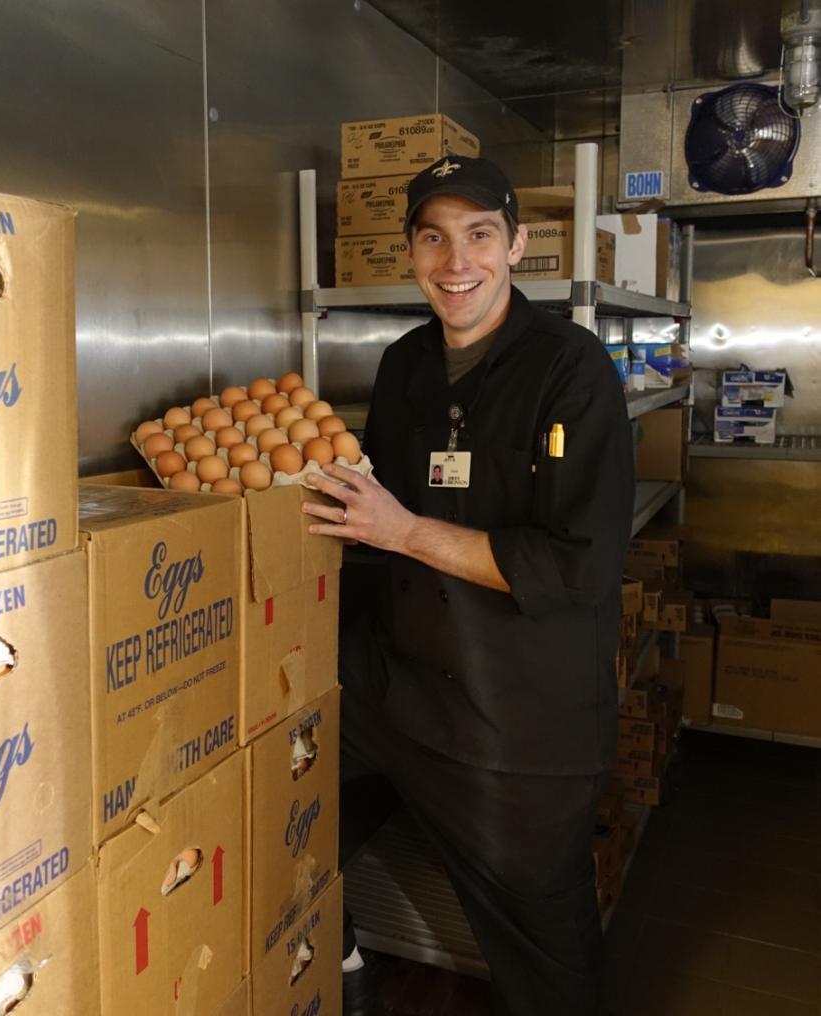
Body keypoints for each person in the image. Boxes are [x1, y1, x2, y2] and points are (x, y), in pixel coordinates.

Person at [302, 155, 634, 1016]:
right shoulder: (404, 365)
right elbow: (376, 524)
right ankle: (334, 959)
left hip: (518, 720)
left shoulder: (573, 370)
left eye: (479, 235)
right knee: (276, 787)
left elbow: (579, 566)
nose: (457, 262)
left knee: (544, 959)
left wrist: (403, 531)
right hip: (398, 689)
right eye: (434, 238)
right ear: (411, 253)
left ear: (516, 245)